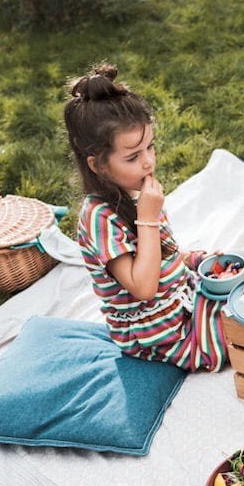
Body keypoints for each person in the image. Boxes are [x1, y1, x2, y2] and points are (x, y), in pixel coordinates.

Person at [64, 64, 228, 372]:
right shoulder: (98, 217)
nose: (148, 161)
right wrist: (148, 219)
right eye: (132, 156)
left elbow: (157, 252)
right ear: (97, 165)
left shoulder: (136, 190)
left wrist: (191, 259)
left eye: (149, 147)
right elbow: (142, 287)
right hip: (158, 336)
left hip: (181, 304)